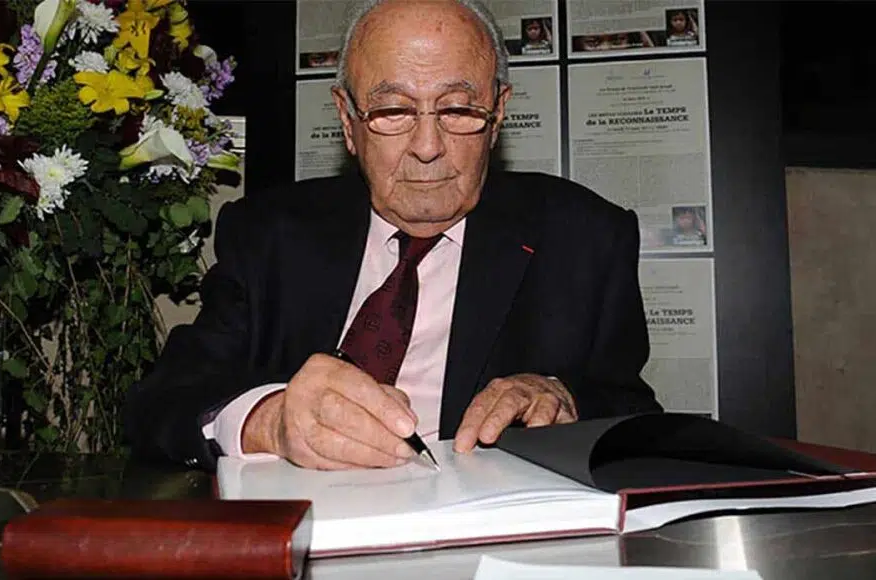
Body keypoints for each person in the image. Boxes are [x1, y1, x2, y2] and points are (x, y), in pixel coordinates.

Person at [123, 0, 661, 472]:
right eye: (393, 111)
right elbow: (162, 402)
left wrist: (563, 399)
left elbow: (633, 415)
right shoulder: (269, 235)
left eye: (458, 109)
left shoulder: (585, 237)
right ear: (347, 120)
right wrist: (270, 421)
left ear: (498, 114)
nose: (427, 146)